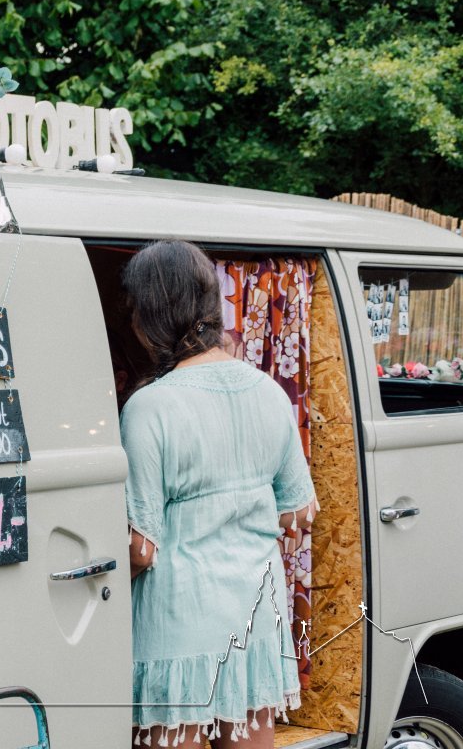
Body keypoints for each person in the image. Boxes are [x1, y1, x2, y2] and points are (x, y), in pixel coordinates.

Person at [120, 240, 318, 749]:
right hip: (254, 624)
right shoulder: (268, 391)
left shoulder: (149, 407)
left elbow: (140, 548)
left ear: (150, 317)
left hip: (176, 634)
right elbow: (299, 512)